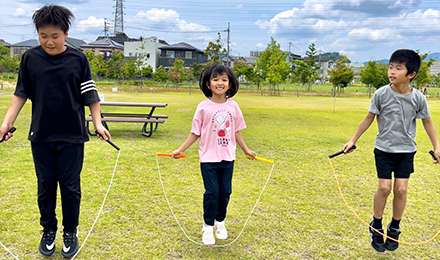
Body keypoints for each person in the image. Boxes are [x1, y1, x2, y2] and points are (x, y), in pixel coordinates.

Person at [0, 5, 111, 258]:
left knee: (71, 187)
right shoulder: (29, 58)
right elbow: (21, 93)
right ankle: (48, 229)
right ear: (38, 33)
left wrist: (97, 123)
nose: (49, 42)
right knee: (46, 186)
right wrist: (6, 123)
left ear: (66, 33)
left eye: (55, 36)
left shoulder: (78, 59)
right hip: (41, 136)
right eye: (43, 36)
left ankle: (70, 231)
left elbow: (90, 95)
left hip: (72, 136)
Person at [343, 49, 440, 252]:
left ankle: (394, 228)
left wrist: (437, 147)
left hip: (406, 151)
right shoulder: (381, 94)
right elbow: (369, 118)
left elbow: (428, 123)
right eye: (390, 67)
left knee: (401, 190)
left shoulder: (418, 99)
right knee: (385, 188)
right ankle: (376, 226)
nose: (392, 72)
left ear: (411, 74)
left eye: (398, 68)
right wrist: (352, 140)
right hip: (384, 149)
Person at [171, 63, 256, 245]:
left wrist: (246, 150)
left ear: (230, 84)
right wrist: (181, 149)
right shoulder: (203, 107)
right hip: (208, 159)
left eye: (224, 79)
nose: (220, 83)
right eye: (215, 79)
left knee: (225, 192)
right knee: (212, 192)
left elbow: (236, 131)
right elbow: (195, 133)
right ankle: (208, 227)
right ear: (208, 84)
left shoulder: (233, 106)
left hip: (228, 158)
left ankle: (220, 222)